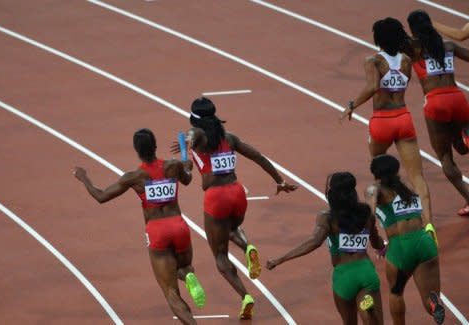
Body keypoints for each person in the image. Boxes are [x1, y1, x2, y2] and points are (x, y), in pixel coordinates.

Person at [173, 97, 297, 319]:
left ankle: (245, 297)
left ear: (195, 120)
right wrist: (279, 180)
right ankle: (247, 246)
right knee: (230, 229)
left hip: (216, 198)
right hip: (237, 193)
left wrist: (188, 146)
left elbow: (194, 135)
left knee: (220, 256)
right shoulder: (229, 138)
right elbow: (258, 156)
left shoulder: (197, 136)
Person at [74, 128, 205, 325]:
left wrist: (84, 177)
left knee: (171, 293)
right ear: (155, 146)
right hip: (179, 226)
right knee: (184, 265)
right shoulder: (172, 166)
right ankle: (187, 274)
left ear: (137, 151)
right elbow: (187, 178)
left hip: (157, 231)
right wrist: (185, 166)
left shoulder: (134, 177)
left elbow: (101, 196)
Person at [340, 18, 433, 226]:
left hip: (382, 121)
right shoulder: (407, 61)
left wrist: (352, 104)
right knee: (417, 177)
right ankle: (428, 225)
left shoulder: (373, 61)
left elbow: (373, 86)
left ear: (377, 39)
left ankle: (390, 224)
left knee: (381, 177)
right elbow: (403, 84)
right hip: (403, 118)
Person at [267, 172, 385, 325]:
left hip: (344, 276)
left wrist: (281, 259)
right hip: (365, 270)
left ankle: (369, 313)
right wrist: (383, 247)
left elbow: (313, 242)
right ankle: (370, 314)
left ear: (332, 194)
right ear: (353, 192)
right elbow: (376, 243)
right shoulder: (366, 213)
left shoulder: (328, 218)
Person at [366, 154, 444, 324]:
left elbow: (370, 217)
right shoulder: (408, 186)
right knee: (431, 296)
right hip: (424, 242)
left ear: (375, 174)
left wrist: (377, 243)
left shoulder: (375, 189)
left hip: (401, 248)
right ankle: (434, 304)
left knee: (396, 292)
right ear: (396, 170)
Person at [407, 10, 469, 216]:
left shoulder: (414, 50)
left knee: (446, 158)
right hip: (458, 99)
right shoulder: (448, 47)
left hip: (435, 102)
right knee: (461, 147)